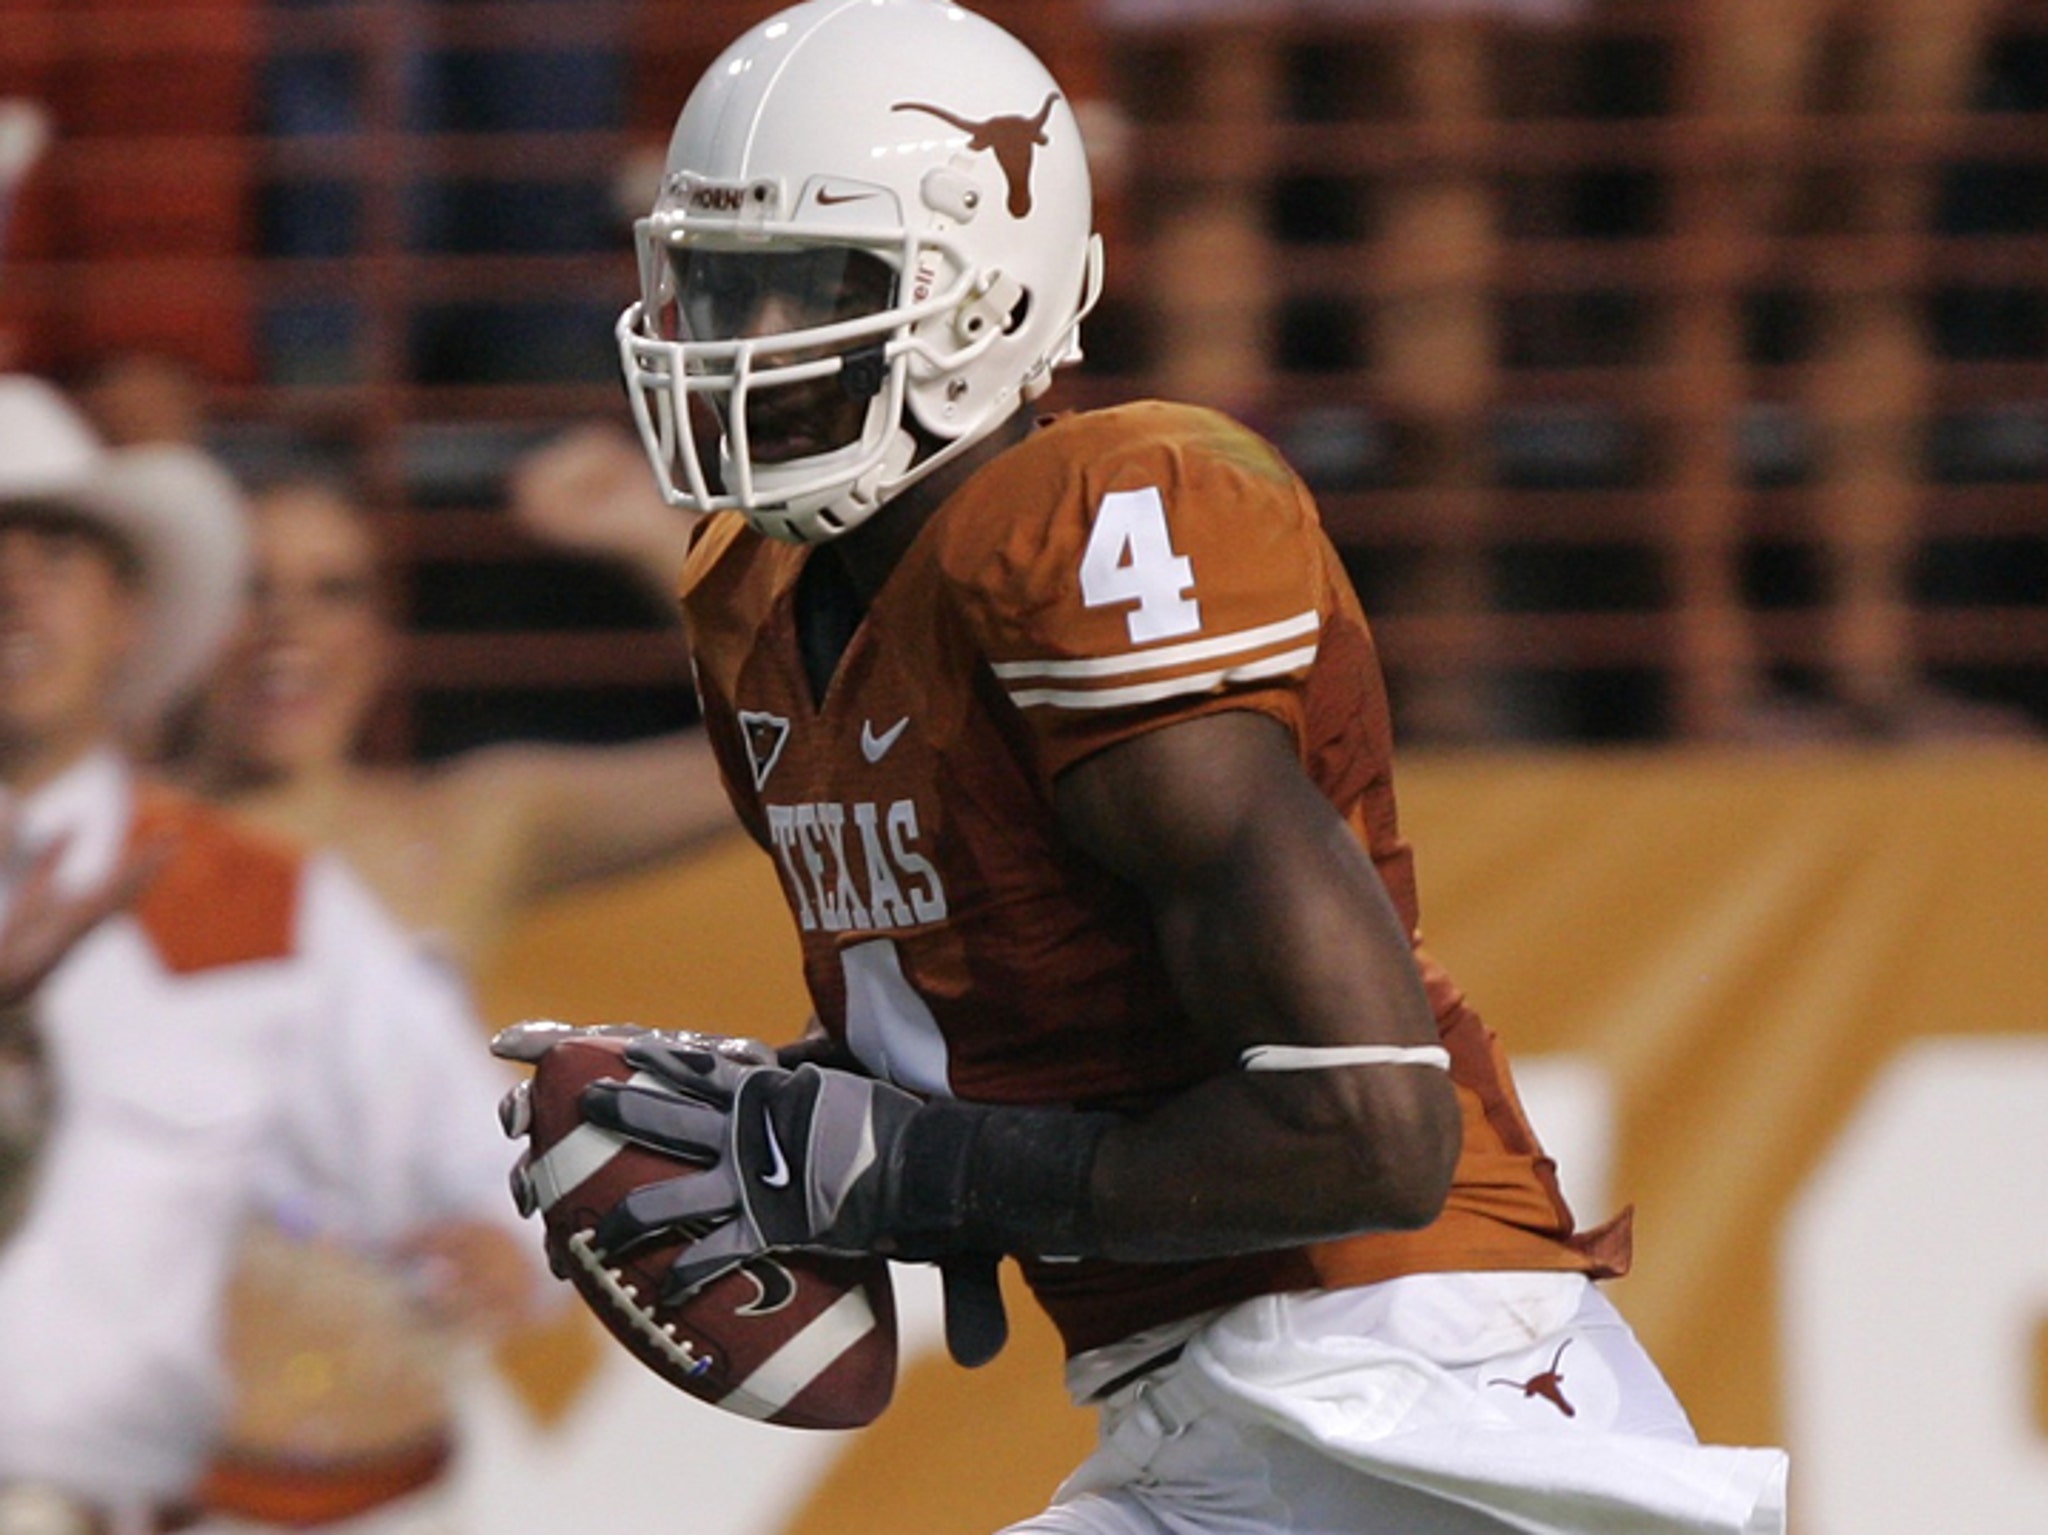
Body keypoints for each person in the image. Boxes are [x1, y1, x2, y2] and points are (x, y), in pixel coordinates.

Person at [494, 4, 1790, 1533]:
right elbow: (1034, 1031)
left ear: (980, 298)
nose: (742, 343)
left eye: (798, 288)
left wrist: (912, 1170)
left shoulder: (1100, 523)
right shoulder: (755, 603)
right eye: (714, 288)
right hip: (1204, 1413)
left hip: (1403, 1375)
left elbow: (1369, 1124)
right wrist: (773, 1121)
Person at [0, 374, 546, 1534]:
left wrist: (494, 1247)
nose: (13, 593)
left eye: (52, 556)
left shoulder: (265, 901)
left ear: (126, 615)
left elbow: (500, 1179)